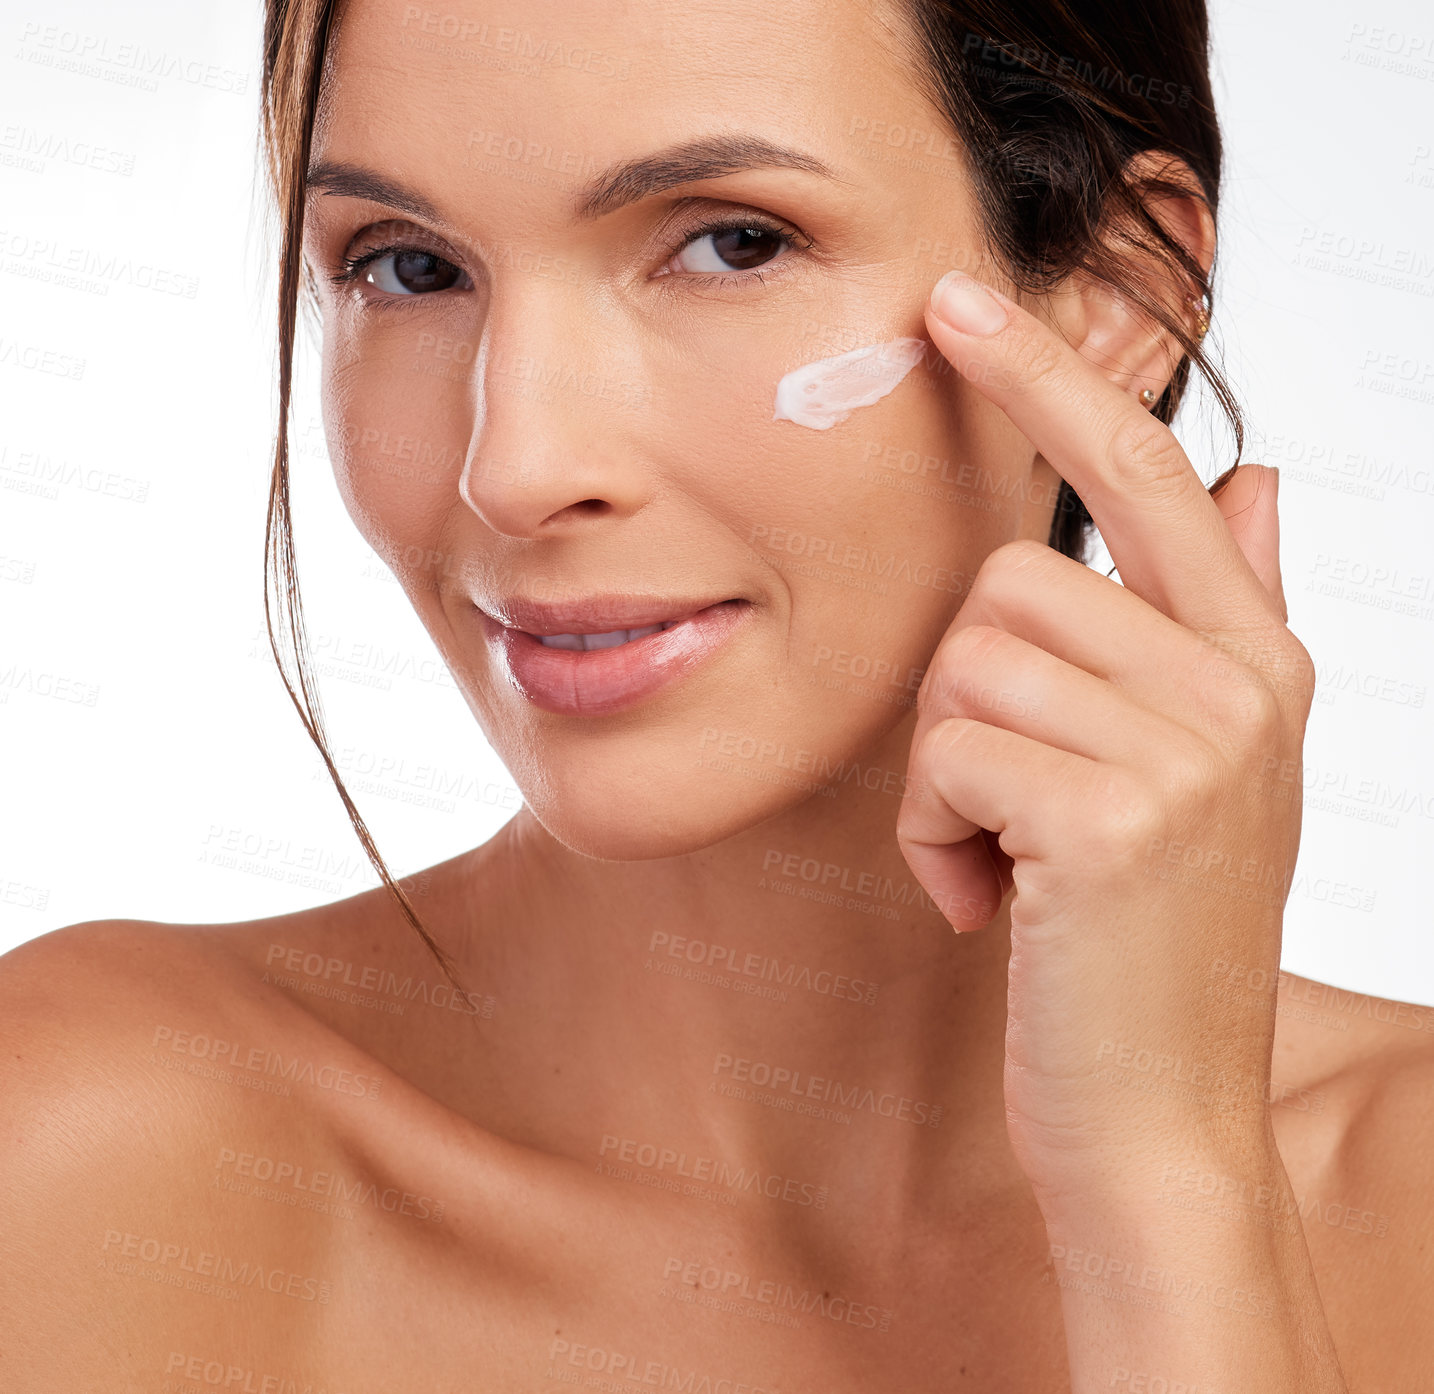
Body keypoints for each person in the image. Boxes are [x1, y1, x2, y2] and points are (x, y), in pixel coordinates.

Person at [2, 0, 1428, 1388]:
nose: (514, 463)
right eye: (407, 268)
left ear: (1115, 296)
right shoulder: (89, 1148)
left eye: (728, 243)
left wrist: (1165, 1179)